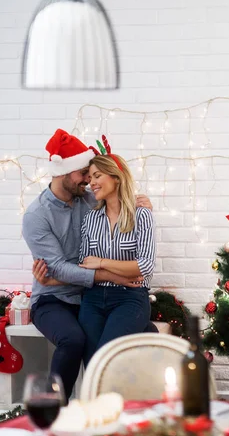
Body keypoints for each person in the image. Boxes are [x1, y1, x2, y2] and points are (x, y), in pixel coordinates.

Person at [23, 129, 152, 399]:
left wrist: (141, 203)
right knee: (74, 340)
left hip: (88, 296)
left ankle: (122, 407)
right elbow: (56, 268)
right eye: (84, 173)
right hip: (53, 296)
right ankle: (54, 409)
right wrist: (113, 276)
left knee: (132, 335)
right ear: (64, 171)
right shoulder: (36, 215)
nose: (88, 180)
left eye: (92, 175)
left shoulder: (89, 199)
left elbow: (118, 193)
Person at [76, 147, 156, 366]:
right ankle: (98, 402)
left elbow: (145, 266)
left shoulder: (142, 215)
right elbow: (85, 264)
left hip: (130, 298)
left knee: (107, 359)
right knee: (92, 365)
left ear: (117, 178)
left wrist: (101, 263)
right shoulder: (91, 218)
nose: (91, 182)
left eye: (97, 176)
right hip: (92, 299)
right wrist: (120, 270)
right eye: (90, 177)